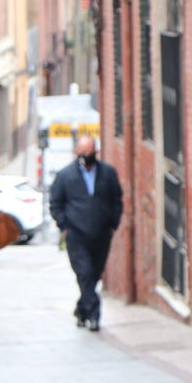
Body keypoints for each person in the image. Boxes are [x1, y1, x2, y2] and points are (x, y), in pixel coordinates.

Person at [48, 135, 124, 331]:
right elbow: (56, 203)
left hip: (101, 233)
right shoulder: (65, 176)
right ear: (75, 152)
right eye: (82, 152)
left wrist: (113, 223)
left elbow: (117, 199)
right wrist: (64, 225)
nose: (86, 156)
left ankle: (82, 309)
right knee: (84, 272)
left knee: (94, 274)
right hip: (76, 234)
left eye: (90, 152)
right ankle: (94, 315)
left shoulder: (108, 173)